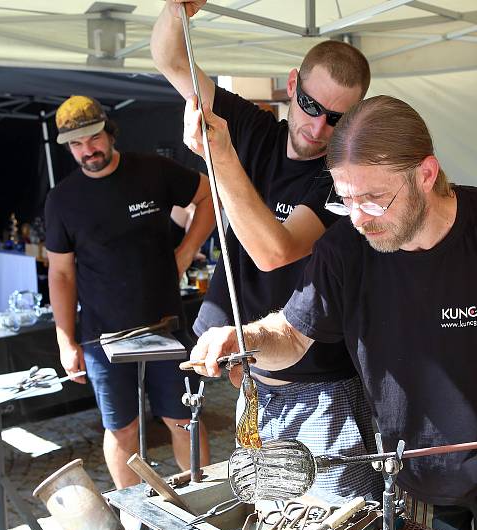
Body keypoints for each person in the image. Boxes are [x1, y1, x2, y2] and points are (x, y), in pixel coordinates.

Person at [190, 96, 477, 530]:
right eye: (346, 198)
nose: (359, 218)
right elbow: (292, 336)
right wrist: (245, 340)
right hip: (411, 478)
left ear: (425, 174)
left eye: (374, 198)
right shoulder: (344, 250)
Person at [151, 0, 382, 502]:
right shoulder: (253, 126)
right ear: (293, 83)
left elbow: (273, 251)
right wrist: (176, 11)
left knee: (336, 516)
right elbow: (171, 59)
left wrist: (223, 157)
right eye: (312, 106)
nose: (318, 127)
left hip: (323, 389)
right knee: (268, 513)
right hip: (257, 382)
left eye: (337, 118)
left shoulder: (341, 178)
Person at [44, 95, 214, 490]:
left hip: (164, 323)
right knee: (122, 428)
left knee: (184, 419)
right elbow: (62, 275)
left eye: (94, 139)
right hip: (103, 335)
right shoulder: (62, 200)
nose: (88, 151)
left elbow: (207, 196)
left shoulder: (151, 170)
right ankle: (132, 517)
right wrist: (65, 341)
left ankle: (200, 508)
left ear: (109, 131)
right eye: (76, 145)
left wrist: (186, 252)